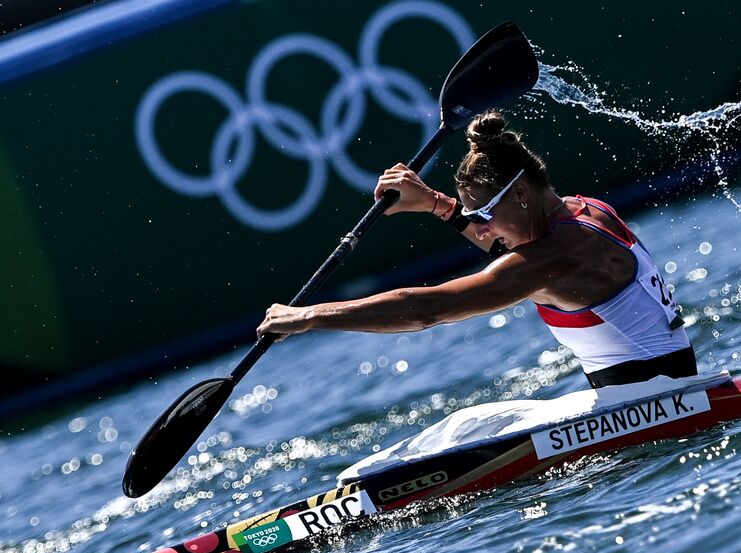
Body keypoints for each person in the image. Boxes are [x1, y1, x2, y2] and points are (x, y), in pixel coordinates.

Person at [256, 112, 696, 389]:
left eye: (483, 211)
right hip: (647, 396)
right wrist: (435, 204)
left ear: (520, 191)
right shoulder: (584, 212)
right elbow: (503, 243)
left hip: (661, 408)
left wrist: (311, 316)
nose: (480, 226)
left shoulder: (562, 254)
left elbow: (429, 309)